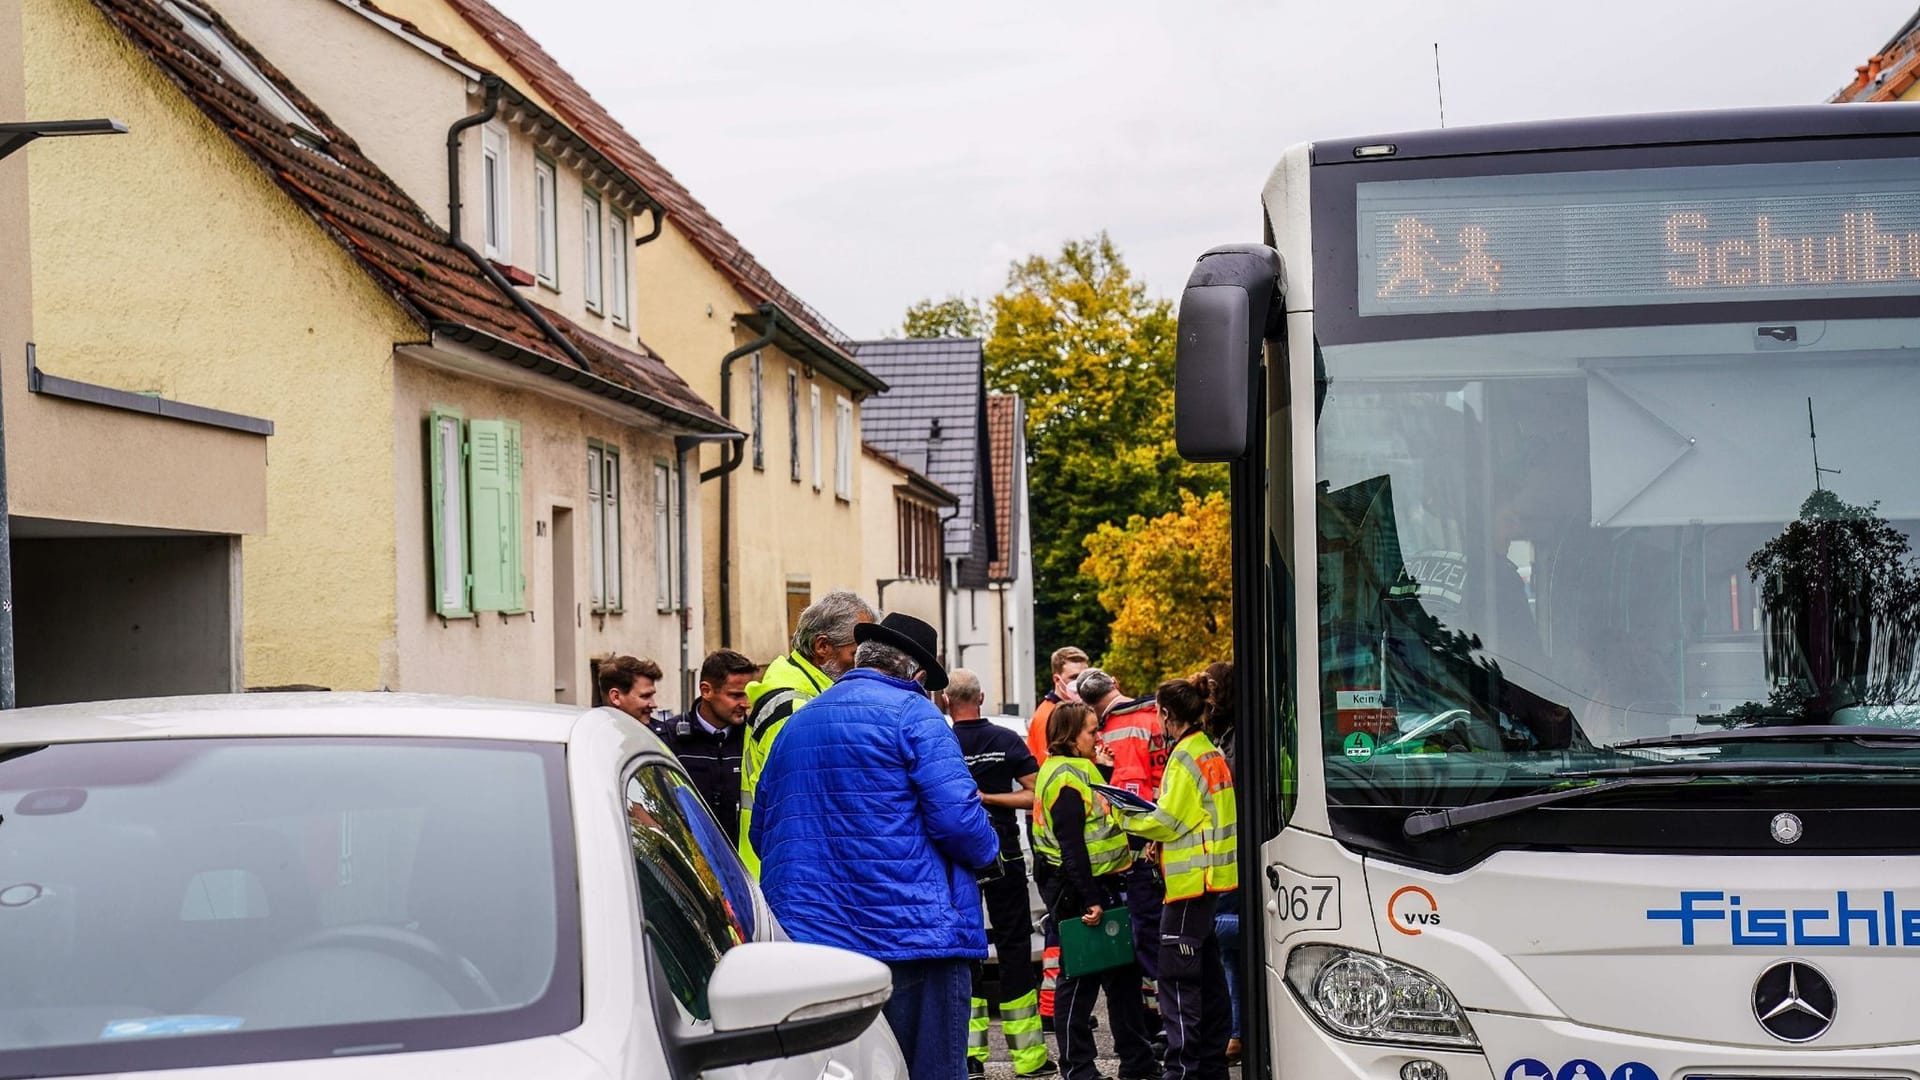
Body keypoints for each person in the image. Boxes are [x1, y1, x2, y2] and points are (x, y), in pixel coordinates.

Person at [752, 613, 1000, 1080]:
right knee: (926, 1068)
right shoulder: (915, 715)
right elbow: (960, 822)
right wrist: (991, 854)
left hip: (815, 942)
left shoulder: (799, 723)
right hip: (911, 935)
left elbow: (762, 831)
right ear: (919, 675)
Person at [1117, 677, 1238, 1080]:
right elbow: (1195, 818)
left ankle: (1182, 1070)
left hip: (1189, 887)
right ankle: (1210, 1067)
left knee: (1176, 982)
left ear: (1167, 715)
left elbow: (1168, 820)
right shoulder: (1208, 751)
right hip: (1209, 881)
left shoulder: (1185, 756)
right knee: (1208, 980)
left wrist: (1124, 815)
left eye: (1158, 713)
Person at [1031, 701, 1158, 1080]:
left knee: (1122, 978)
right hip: (1080, 889)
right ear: (1070, 736)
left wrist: (1104, 770)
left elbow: (1095, 823)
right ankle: (1080, 1070)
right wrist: (1091, 899)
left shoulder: (1080, 769)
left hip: (1101, 884)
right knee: (1080, 981)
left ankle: (1138, 1063)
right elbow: (1072, 846)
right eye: (1091, 731)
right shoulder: (1066, 778)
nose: (1098, 737)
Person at [945, 669, 1054, 1078]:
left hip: (957, 859)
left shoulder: (942, 742)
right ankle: (1029, 1060)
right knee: (1013, 950)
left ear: (945, 701)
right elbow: (1036, 791)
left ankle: (968, 1058)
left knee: (966, 949)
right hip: (1003, 853)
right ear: (983, 697)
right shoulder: (1005, 740)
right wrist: (993, 797)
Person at [737, 590, 876, 875]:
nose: (863, 663)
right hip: (789, 872)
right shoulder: (795, 709)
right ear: (822, 646)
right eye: (856, 653)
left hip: (784, 866)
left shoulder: (803, 696)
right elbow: (806, 805)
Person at [1073, 667, 1169, 1044]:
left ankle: (1154, 1024)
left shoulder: (1109, 731)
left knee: (1145, 939)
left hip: (1137, 846)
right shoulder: (1155, 714)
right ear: (1118, 683)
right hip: (1168, 838)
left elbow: (1126, 795)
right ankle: (1163, 1020)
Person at [648, 649, 759, 839]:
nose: (746, 703)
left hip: (742, 862)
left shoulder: (754, 738)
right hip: (689, 860)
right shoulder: (670, 739)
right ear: (706, 691)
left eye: (747, 695)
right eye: (736, 695)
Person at [1198, 662, 1242, 1067]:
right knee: (1228, 955)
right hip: (1225, 849)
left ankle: (1234, 1030)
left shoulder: (1231, 739)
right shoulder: (1222, 735)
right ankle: (1234, 1030)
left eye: (1210, 690)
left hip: (1229, 848)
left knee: (1217, 933)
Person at [1026, 646, 1090, 764]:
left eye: (1084, 677)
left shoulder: (1081, 709)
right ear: (1057, 679)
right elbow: (1047, 761)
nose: (1080, 682)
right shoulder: (1047, 715)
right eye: (1074, 677)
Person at [597, 655, 662, 722]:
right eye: (645, 696)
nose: (654, 705)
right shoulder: (589, 730)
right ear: (615, 697)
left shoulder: (662, 730)